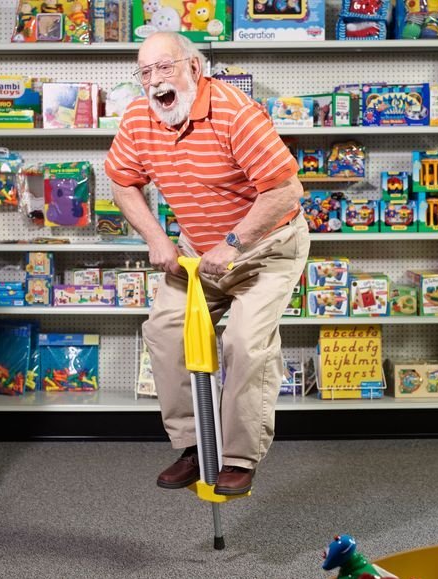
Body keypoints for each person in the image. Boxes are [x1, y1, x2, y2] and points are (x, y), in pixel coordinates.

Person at [105, 32, 310, 496]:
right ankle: (195, 445)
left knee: (243, 340)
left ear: (193, 69)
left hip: (265, 250)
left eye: (164, 68)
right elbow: (121, 182)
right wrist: (156, 238)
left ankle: (238, 457)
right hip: (198, 254)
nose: (154, 81)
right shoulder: (140, 118)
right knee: (163, 329)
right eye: (145, 72)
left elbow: (286, 191)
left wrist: (234, 242)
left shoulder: (234, 112)